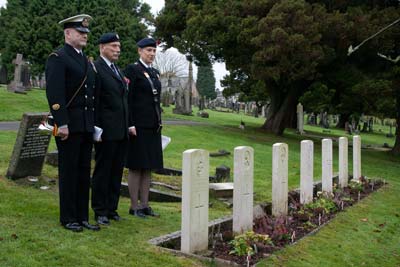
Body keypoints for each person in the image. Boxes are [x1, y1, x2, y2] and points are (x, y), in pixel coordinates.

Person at [45, 14, 99, 232]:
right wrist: (62, 123)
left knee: (84, 171)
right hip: (69, 125)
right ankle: (68, 217)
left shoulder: (84, 59)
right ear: (68, 33)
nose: (85, 36)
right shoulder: (58, 57)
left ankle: (82, 216)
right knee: (69, 171)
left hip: (85, 125)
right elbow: (55, 94)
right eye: (80, 32)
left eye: (86, 32)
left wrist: (93, 124)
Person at [91, 33, 129, 225]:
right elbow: (96, 101)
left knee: (116, 171)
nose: (117, 50)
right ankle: (100, 210)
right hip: (106, 131)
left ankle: (112, 208)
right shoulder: (97, 69)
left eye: (119, 46)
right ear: (102, 47)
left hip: (121, 131)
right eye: (113, 46)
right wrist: (96, 128)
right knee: (103, 171)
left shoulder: (117, 70)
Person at [124, 37, 163, 218]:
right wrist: (130, 123)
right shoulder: (132, 70)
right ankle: (134, 206)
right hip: (138, 126)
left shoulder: (154, 73)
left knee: (148, 166)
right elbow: (128, 99)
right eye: (148, 50)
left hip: (152, 126)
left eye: (154, 51)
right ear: (139, 51)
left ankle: (145, 204)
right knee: (136, 166)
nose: (152, 54)